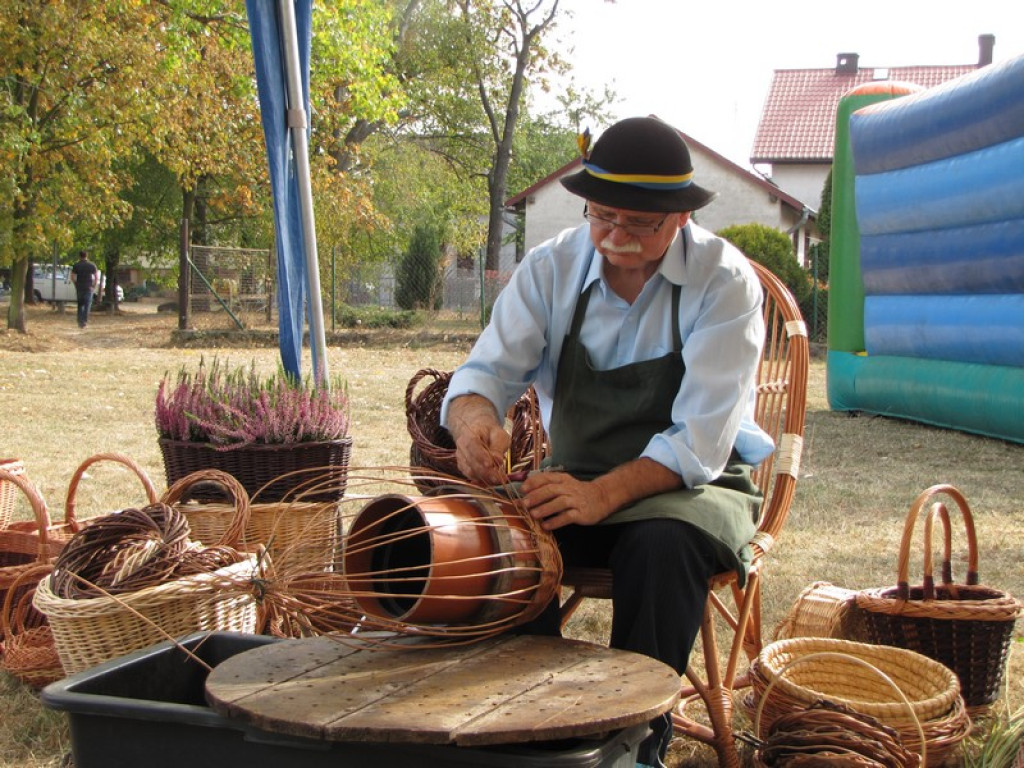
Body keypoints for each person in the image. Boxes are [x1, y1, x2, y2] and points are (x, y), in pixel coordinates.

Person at [440, 116, 774, 767]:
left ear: (679, 217)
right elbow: (483, 375)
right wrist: (472, 422)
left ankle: (632, 742)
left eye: (638, 224)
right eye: (601, 216)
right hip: (578, 474)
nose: (614, 237)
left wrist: (603, 496)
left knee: (660, 547)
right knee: (504, 541)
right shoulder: (551, 268)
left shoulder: (724, 283)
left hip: (691, 489)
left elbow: (701, 443)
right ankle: (530, 729)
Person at [70, 250, 98, 328]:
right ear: (87, 256)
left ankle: (79, 321)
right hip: (88, 288)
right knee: (87, 305)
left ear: (79, 256)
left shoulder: (76, 265)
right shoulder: (92, 265)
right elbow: (96, 277)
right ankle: (84, 322)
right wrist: (93, 286)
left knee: (80, 305)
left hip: (80, 287)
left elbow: (72, 277)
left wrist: (76, 284)